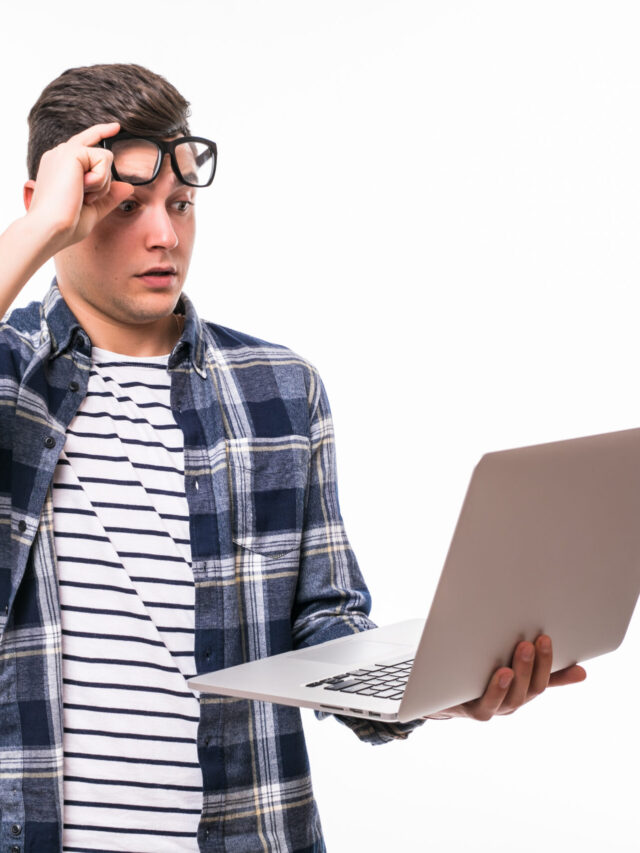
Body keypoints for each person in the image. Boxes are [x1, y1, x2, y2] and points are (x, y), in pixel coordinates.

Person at [0, 63, 587, 853]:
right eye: (125, 206)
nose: (165, 235)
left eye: (180, 205)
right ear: (52, 206)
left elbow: (325, 623)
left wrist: (432, 690)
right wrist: (38, 232)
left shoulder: (279, 388)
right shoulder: (12, 377)